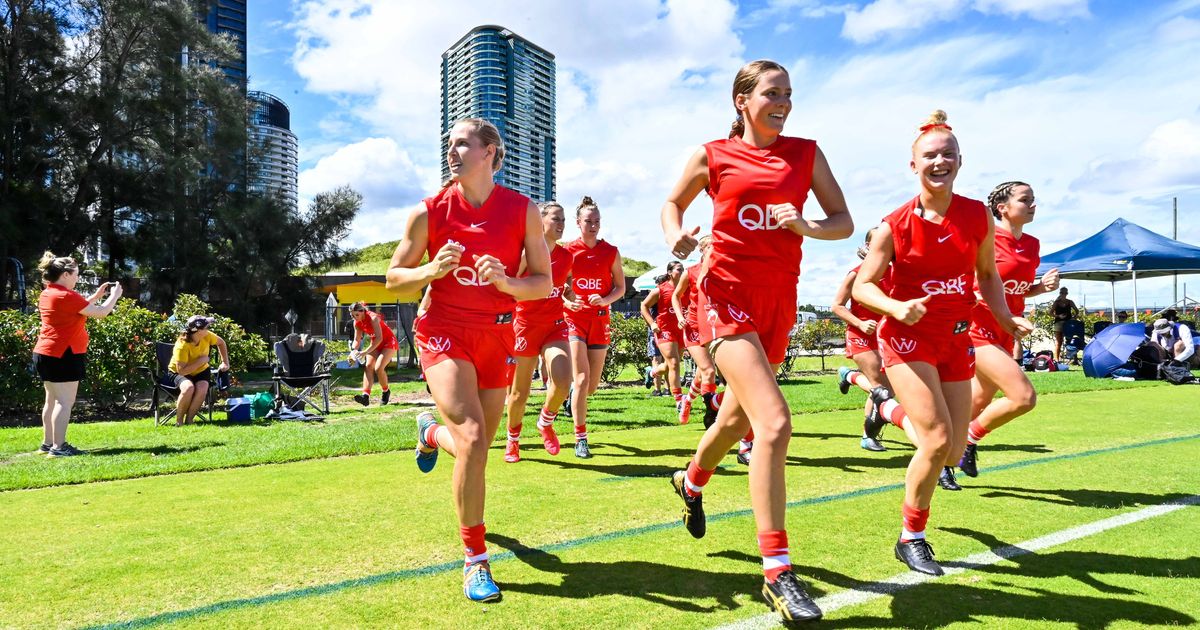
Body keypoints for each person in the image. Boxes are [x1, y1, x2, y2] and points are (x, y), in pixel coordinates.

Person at [662, 59, 853, 622]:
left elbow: (842, 220)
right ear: (742, 100)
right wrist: (677, 239)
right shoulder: (713, 154)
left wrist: (804, 226)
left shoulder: (807, 154)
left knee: (735, 421)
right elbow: (673, 204)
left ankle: (691, 481)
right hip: (723, 295)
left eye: (789, 94)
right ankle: (777, 571)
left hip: (778, 302)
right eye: (772, 93)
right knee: (774, 422)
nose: (784, 102)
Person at [853, 110, 1033, 577]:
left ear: (960, 160)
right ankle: (911, 536)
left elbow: (988, 274)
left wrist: (1007, 319)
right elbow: (862, 287)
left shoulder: (976, 214)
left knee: (951, 451)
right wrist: (895, 308)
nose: (939, 161)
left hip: (956, 340)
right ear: (913, 165)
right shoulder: (895, 223)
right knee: (933, 440)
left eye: (947, 154)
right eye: (929, 155)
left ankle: (884, 409)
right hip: (907, 340)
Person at [385, 117, 551, 602]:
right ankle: (475, 561)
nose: (452, 152)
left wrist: (505, 284)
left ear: (490, 152)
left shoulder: (523, 211)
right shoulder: (429, 211)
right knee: (475, 438)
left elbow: (541, 283)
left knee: (476, 448)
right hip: (441, 332)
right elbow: (394, 277)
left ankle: (431, 434)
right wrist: (431, 269)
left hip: (495, 336)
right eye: (449, 144)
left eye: (462, 144)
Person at [955, 181, 1060, 483]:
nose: (1032, 205)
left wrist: (1041, 288)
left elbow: (1015, 291)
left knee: (976, 403)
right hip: (977, 330)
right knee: (1023, 396)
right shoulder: (985, 239)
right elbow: (974, 286)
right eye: (1025, 200)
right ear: (1002, 208)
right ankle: (968, 441)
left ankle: (942, 459)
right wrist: (1003, 313)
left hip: (1006, 332)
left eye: (1033, 199)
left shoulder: (1032, 244)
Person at [31, 253, 122, 457]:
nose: (77, 278)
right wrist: (114, 296)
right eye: (76, 274)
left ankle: (48, 443)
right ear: (65, 274)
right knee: (64, 402)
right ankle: (59, 447)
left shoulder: (49, 293)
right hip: (64, 354)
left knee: (52, 401)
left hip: (46, 353)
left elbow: (77, 310)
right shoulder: (67, 295)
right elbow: (100, 313)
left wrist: (97, 296)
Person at [503, 201, 574, 463]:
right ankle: (513, 440)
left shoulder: (567, 257)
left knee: (563, 380)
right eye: (556, 219)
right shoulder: (526, 254)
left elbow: (565, 284)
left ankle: (545, 422)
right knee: (520, 393)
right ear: (540, 222)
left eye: (563, 220)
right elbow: (509, 285)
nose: (561, 224)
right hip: (525, 325)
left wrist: (569, 295)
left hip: (554, 324)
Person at [562, 196, 625, 459]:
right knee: (581, 379)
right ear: (578, 223)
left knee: (591, 386)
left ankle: (570, 400)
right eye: (588, 221)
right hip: (574, 320)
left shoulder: (610, 251)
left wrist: (605, 299)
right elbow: (559, 286)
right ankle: (581, 438)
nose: (593, 225)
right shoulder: (568, 251)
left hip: (600, 320)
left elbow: (620, 288)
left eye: (597, 221)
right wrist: (568, 299)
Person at [832, 228, 893, 452]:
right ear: (868, 246)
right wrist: (859, 323)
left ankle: (849, 376)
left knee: (888, 388)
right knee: (881, 388)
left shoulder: (897, 273)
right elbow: (836, 306)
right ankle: (868, 436)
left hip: (885, 337)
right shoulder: (855, 273)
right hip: (861, 336)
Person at [670, 236, 720, 428]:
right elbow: (676, 296)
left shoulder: (719, 271)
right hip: (693, 327)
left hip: (712, 327)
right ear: (703, 249)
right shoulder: (690, 272)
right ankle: (712, 415)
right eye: (711, 247)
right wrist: (679, 317)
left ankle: (687, 401)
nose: (715, 251)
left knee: (702, 373)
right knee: (708, 371)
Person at [167, 315, 231, 426]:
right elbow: (181, 371)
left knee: (202, 389)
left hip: (201, 370)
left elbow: (221, 343)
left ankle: (190, 420)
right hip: (178, 372)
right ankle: (179, 421)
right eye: (206, 327)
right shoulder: (182, 345)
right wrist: (200, 361)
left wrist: (225, 362)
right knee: (188, 388)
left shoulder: (207, 336)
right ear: (198, 331)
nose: (209, 329)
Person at [640, 261, 685, 413]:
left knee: (670, 365)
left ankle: (651, 372)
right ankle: (679, 401)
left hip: (681, 330)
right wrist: (652, 324)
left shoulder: (687, 288)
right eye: (679, 269)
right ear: (670, 272)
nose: (682, 271)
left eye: (683, 269)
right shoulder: (660, 290)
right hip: (664, 330)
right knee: (674, 363)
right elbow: (643, 306)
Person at [348, 302, 399, 406]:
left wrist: (365, 352)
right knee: (368, 366)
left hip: (388, 342)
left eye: (356, 315)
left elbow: (379, 338)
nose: (354, 317)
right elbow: (357, 340)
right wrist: (352, 352)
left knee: (379, 368)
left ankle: (385, 391)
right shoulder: (356, 322)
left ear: (363, 312)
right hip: (375, 343)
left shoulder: (373, 318)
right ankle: (365, 396)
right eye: (352, 315)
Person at [1051, 287, 1078, 361]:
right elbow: (1050, 312)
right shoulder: (1056, 302)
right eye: (1061, 293)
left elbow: (1077, 311)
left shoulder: (1070, 302)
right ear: (1060, 293)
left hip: (1068, 323)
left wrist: (1073, 318)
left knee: (1070, 341)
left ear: (1067, 293)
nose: (1063, 294)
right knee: (1059, 342)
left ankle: (1074, 359)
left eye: (1065, 293)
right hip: (1058, 323)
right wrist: (1058, 316)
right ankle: (1057, 359)